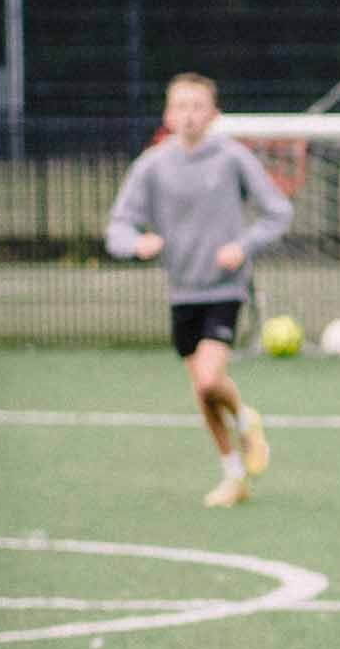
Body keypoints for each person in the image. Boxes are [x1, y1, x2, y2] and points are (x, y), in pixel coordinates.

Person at [102, 72, 293, 507]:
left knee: (209, 379)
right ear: (168, 114)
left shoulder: (232, 158)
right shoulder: (152, 165)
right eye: (180, 107)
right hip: (181, 291)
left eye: (197, 106)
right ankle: (233, 474)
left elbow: (277, 212)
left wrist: (242, 246)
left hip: (225, 288)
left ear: (214, 114)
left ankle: (245, 419)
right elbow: (118, 226)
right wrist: (136, 243)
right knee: (204, 393)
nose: (188, 115)